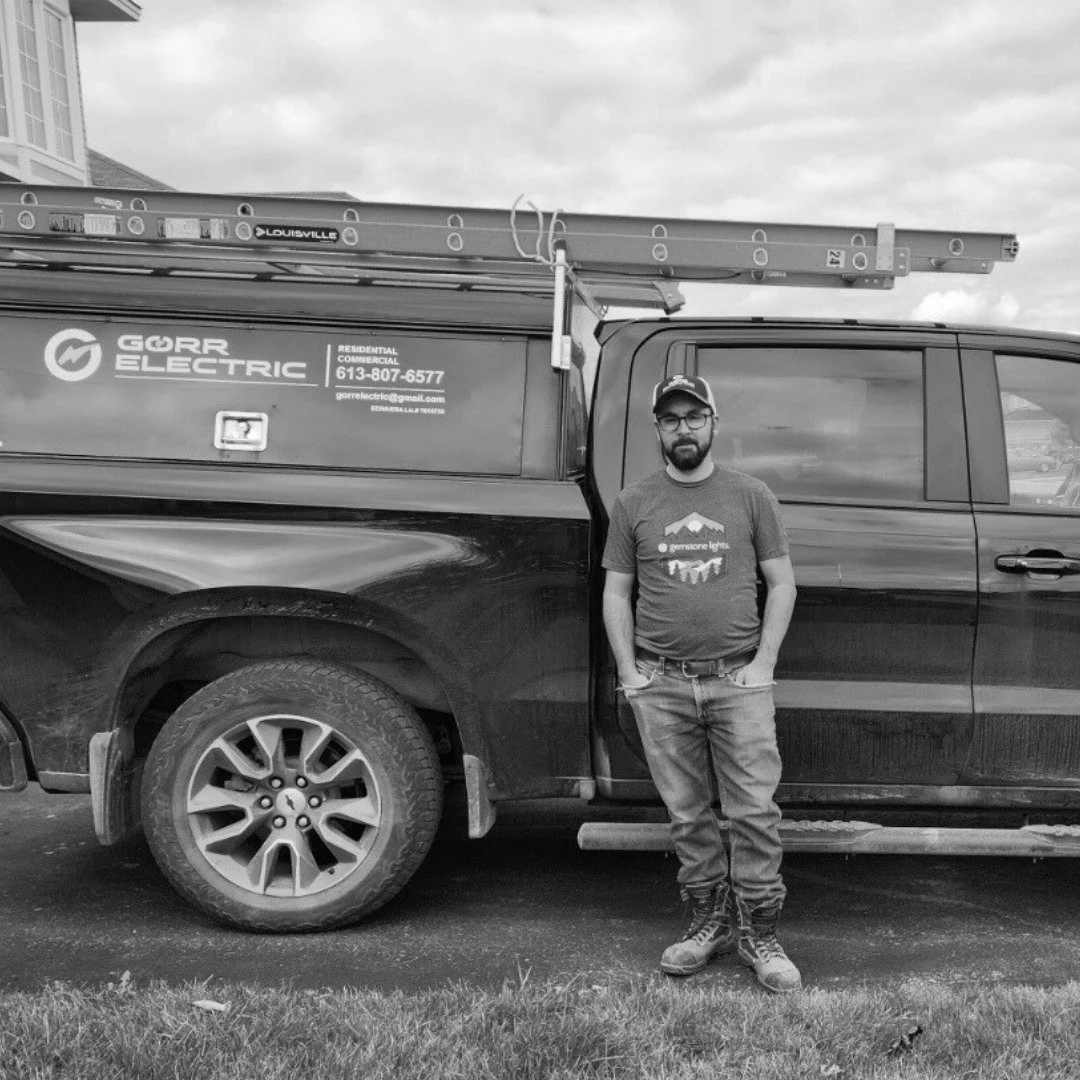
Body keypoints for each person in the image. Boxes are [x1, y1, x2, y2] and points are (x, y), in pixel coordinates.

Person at [601, 374, 801, 993]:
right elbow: (616, 592)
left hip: (739, 682)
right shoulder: (635, 502)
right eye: (670, 419)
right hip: (660, 684)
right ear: (657, 430)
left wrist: (763, 663)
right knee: (687, 814)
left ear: (714, 422)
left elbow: (784, 583)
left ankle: (760, 933)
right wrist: (630, 671)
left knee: (753, 813)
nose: (682, 428)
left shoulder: (750, 495)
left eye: (693, 417)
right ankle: (707, 923)